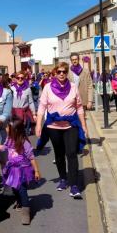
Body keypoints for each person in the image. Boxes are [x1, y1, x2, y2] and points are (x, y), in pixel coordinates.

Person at [36, 62, 88, 199]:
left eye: (64, 71)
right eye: (59, 71)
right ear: (55, 72)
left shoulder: (73, 87)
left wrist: (84, 125)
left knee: (71, 153)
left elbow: (79, 107)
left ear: (67, 73)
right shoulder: (47, 88)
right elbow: (42, 107)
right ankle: (63, 179)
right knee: (59, 154)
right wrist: (38, 125)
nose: (61, 74)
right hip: (53, 127)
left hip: (71, 125)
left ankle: (74, 185)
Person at [0, 117, 41, 225]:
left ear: (15, 130)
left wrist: (36, 171)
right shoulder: (9, 139)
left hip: (22, 169)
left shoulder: (24, 143)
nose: (6, 129)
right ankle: (19, 201)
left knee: (22, 189)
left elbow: (32, 158)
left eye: (8, 127)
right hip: (12, 169)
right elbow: (4, 148)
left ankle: (26, 211)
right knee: (14, 188)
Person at [10, 71, 37, 136]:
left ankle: (25, 145)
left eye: (22, 78)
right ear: (16, 79)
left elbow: (30, 102)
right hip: (14, 114)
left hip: (25, 114)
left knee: (24, 135)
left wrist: (34, 114)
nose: (20, 79)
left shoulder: (28, 89)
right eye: (18, 78)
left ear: (24, 79)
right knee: (15, 134)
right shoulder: (11, 88)